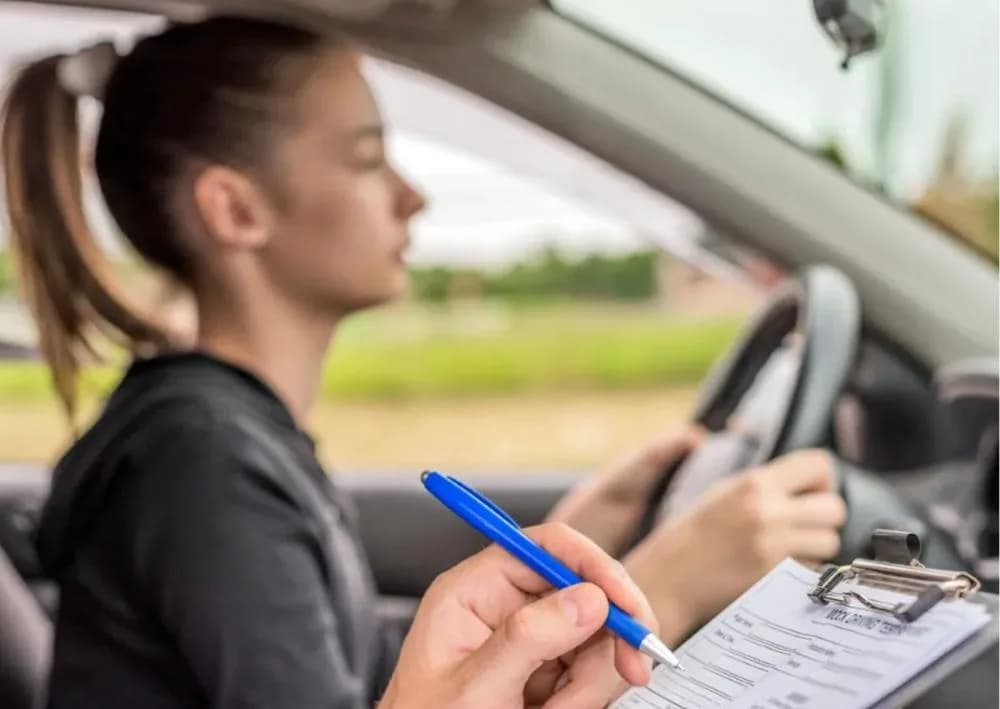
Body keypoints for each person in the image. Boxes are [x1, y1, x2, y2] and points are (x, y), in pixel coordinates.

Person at [0, 15, 845, 709]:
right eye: (366, 159)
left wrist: (587, 529)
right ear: (234, 209)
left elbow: (362, 672)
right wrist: (668, 582)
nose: (413, 195)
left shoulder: (236, 431)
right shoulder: (200, 460)